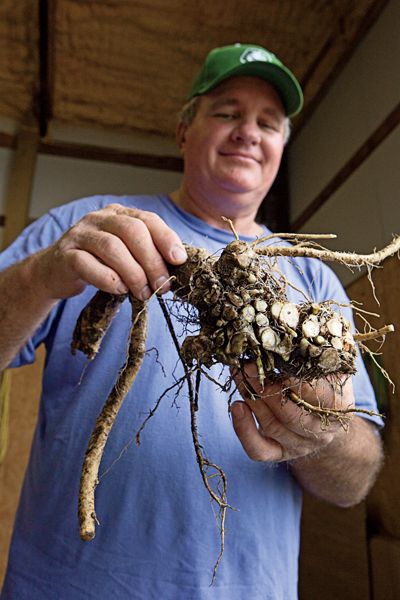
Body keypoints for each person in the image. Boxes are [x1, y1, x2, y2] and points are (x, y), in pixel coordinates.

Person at [0, 44, 382, 599]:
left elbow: (356, 480)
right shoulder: (88, 229)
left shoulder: (314, 282)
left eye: (268, 123)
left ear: (279, 149)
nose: (249, 131)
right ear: (184, 131)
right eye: (227, 112)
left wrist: (325, 434)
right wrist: (40, 276)